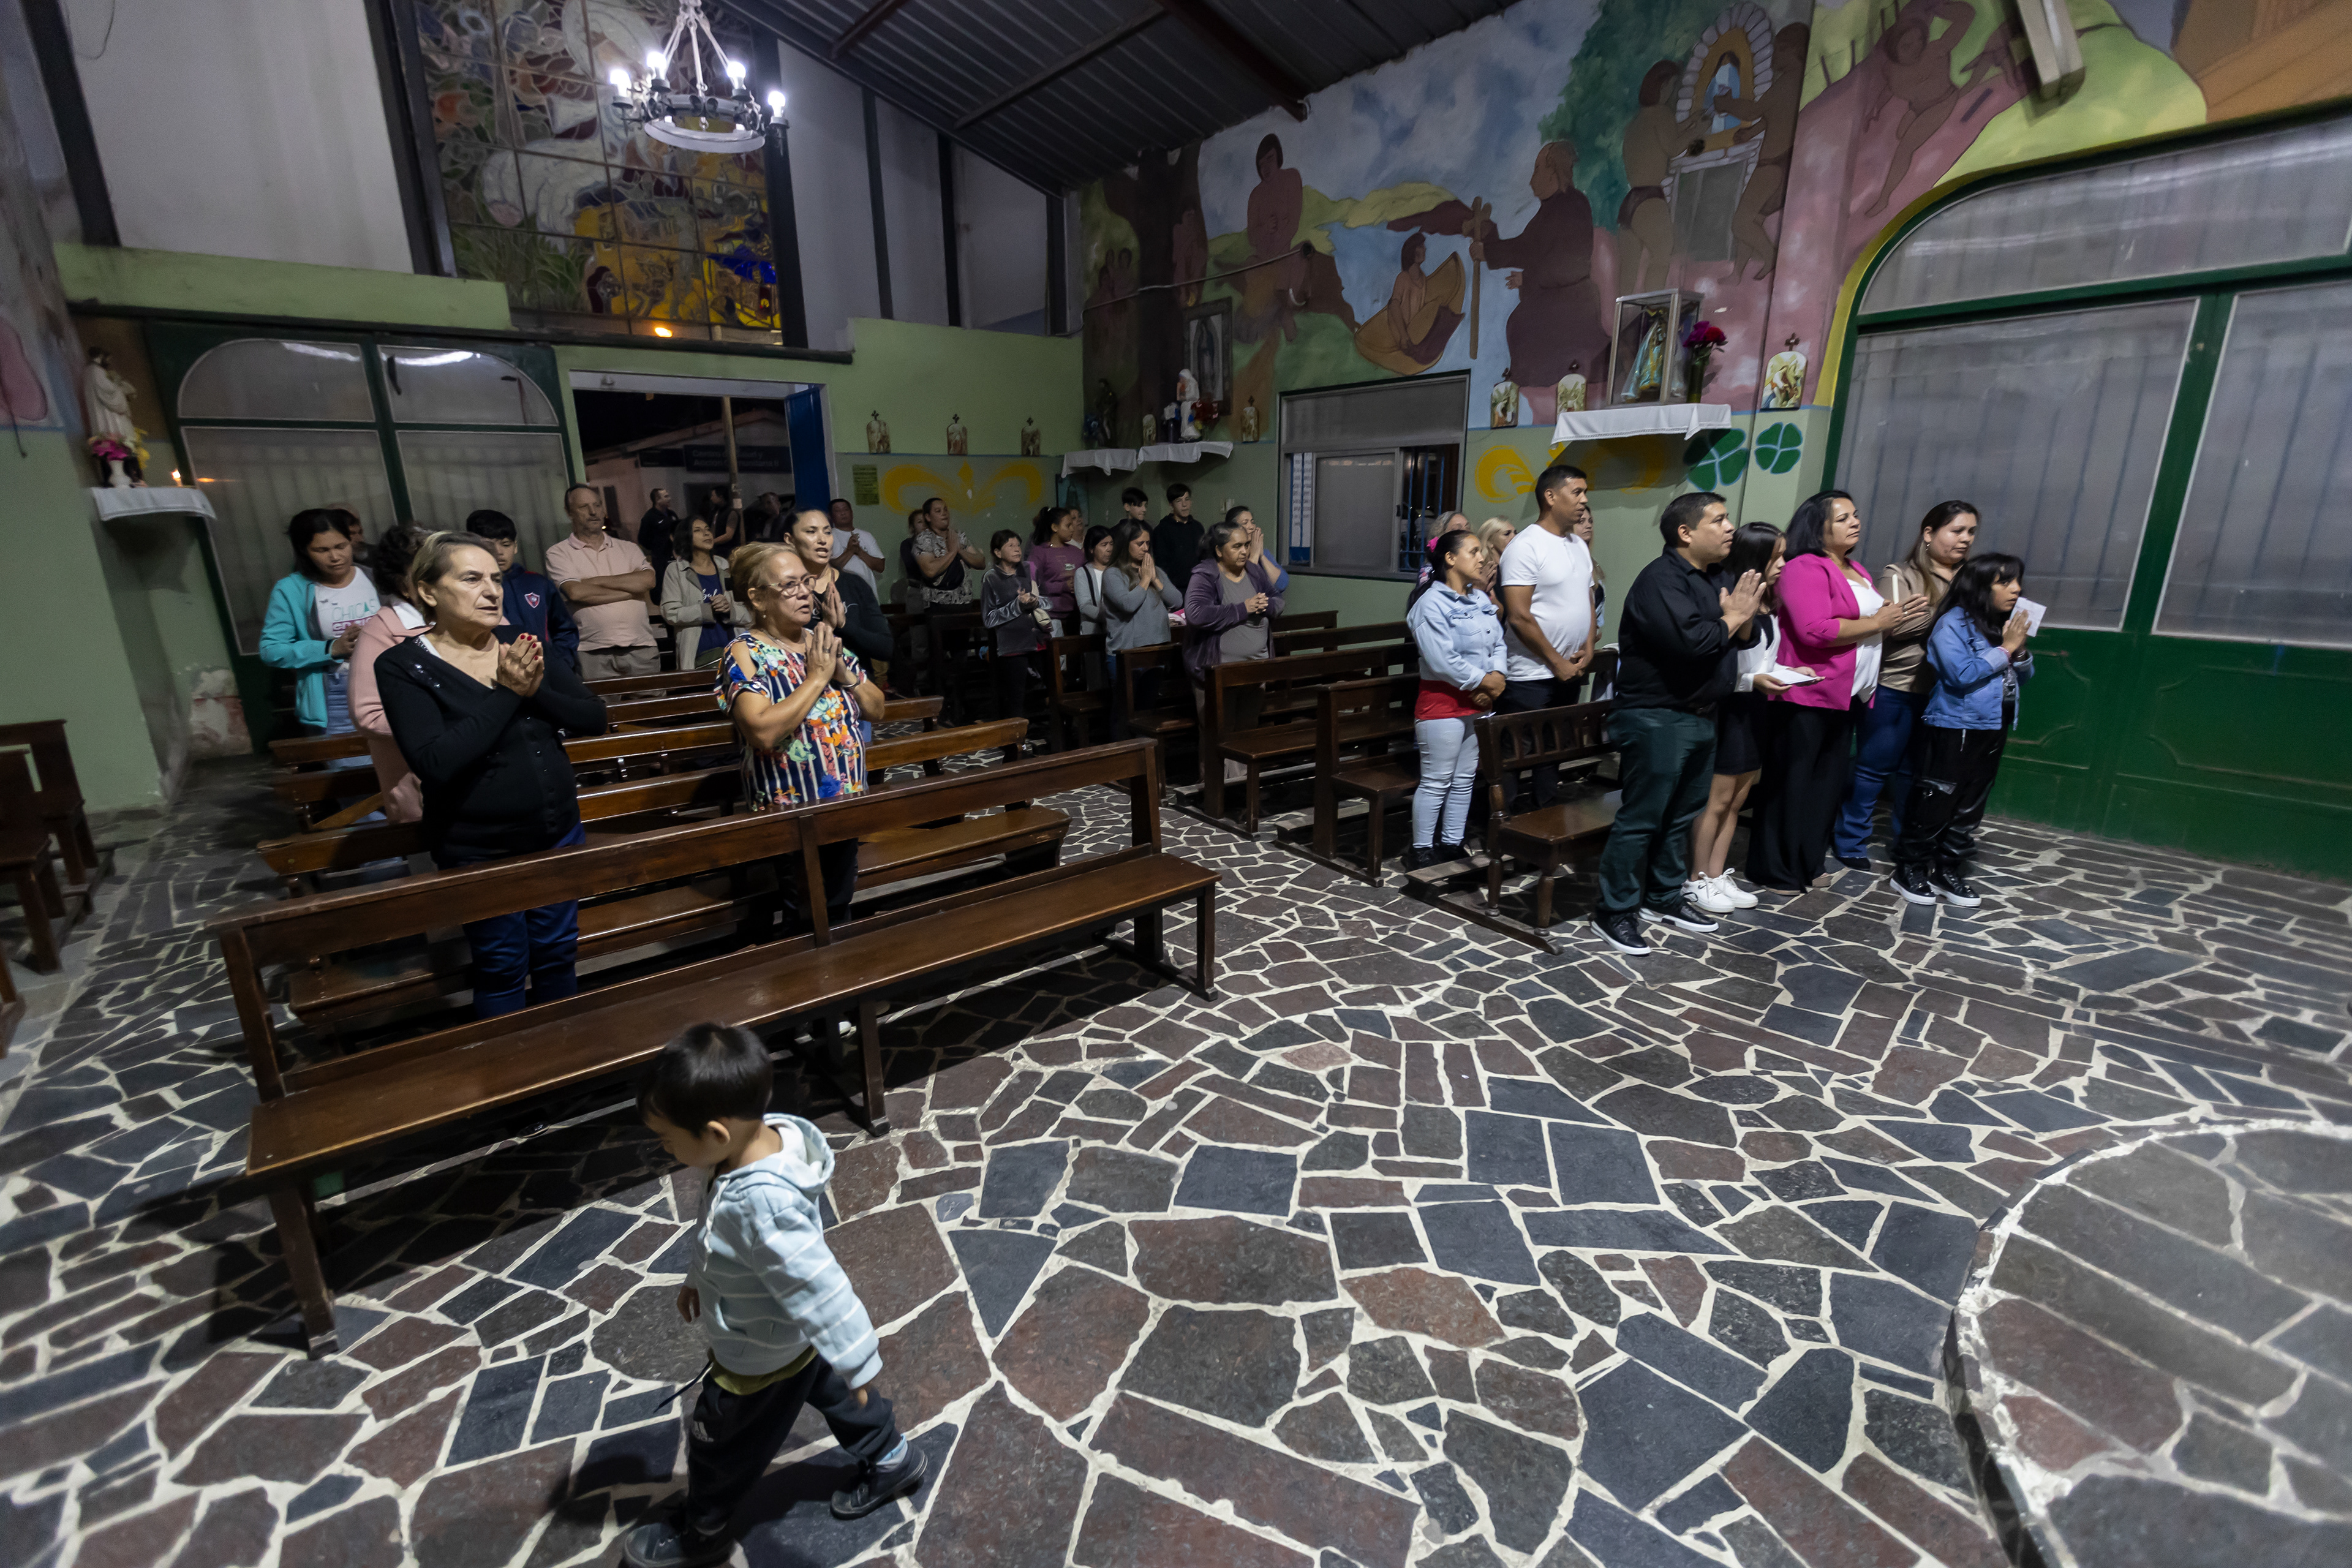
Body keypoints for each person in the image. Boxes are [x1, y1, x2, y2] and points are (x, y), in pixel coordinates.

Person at [622, 1023, 924, 1568]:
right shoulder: (759, 1142)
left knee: (719, 1441)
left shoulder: (762, 1204)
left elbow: (821, 1286)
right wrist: (696, 1279)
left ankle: (703, 1529)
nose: (664, 1149)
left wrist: (859, 1361)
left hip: (757, 1353)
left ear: (716, 1133)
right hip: (792, 1334)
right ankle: (891, 1458)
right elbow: (715, 1232)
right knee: (832, 1392)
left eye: (667, 1140)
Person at [375, 532, 609, 1017]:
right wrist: (509, 693)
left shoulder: (520, 643)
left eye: (496, 579)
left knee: (557, 953)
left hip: (555, 835)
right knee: (503, 964)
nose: (491, 591)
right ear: (428, 591)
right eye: (471, 579)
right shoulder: (403, 665)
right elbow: (435, 762)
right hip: (480, 849)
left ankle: (565, 1050)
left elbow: (594, 717)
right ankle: (510, 1061)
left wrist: (534, 690)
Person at [1588, 492, 1763, 956]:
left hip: (1702, 715)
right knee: (1642, 819)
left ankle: (1663, 896)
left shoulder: (1717, 576)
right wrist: (1733, 617)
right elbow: (1695, 644)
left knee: (1682, 815)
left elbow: (1743, 637)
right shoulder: (1660, 581)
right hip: (1657, 717)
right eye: (1718, 520)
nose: (1730, 527)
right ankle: (1613, 910)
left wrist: (1743, 617)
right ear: (1685, 532)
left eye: (1728, 518)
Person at [1746, 491, 1926, 891]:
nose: (1855, 522)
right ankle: (1776, 867)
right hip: (1808, 691)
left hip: (1847, 694)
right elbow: (1815, 630)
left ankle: (1809, 861)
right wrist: (1880, 622)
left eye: (1855, 515)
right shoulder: (1805, 567)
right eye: (1843, 518)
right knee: (1793, 782)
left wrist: (1897, 618)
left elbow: (1872, 625)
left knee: (1825, 785)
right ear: (1818, 526)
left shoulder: (1856, 568)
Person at [719, 545, 885, 934]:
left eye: (806, 583)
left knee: (839, 904)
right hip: (791, 812)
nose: (804, 593)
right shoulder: (744, 652)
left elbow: (877, 708)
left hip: (844, 800)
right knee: (807, 914)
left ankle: (843, 969)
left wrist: (842, 673)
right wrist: (817, 678)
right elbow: (761, 731)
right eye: (789, 585)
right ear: (757, 598)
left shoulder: (820, 642)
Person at [1834, 500, 1974, 869]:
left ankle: (1905, 843)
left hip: (1942, 694)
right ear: (1929, 534)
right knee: (1872, 769)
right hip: (1895, 686)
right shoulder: (1899, 575)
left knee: (1916, 775)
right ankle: (1851, 841)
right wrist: (1948, 613)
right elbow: (1894, 627)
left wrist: (1928, 613)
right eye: (1957, 531)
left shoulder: (1970, 579)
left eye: (1971, 532)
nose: (1965, 539)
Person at [1891, 554, 2033, 908]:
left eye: (2018, 581)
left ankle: (1947, 869)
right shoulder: (1951, 624)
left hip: (1994, 724)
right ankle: (1910, 869)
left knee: (1971, 803)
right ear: (1980, 587)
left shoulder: (2002, 625)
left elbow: (2024, 676)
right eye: (2005, 582)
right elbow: (1960, 675)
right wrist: (2006, 649)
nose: (2016, 589)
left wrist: (2020, 652)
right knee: (1937, 799)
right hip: (1956, 724)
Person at [1686, 522, 1804, 914]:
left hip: (1758, 709)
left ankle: (1717, 874)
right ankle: (1696, 879)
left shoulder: (1769, 602)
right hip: (1731, 709)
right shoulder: (1732, 602)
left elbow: (1762, 660)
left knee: (1737, 800)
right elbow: (1721, 666)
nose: (1783, 564)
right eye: (1776, 556)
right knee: (1716, 800)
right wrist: (1756, 681)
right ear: (1754, 559)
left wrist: (1791, 672)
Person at [1496, 464, 1597, 808]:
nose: (1584, 501)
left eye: (1585, 493)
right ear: (1551, 497)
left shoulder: (1577, 544)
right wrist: (1556, 662)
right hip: (1531, 675)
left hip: (1570, 668)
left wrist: (1588, 647)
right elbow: (1519, 616)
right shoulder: (1526, 546)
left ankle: (1544, 820)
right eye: (1577, 492)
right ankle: (1504, 822)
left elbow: (1587, 597)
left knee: (1554, 751)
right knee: (1516, 754)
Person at [1405, 529, 1507, 870]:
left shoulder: (1480, 600)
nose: (1482, 558)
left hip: (1480, 700)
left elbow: (1498, 642)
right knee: (1437, 780)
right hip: (1443, 704)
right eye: (1474, 551)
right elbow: (1442, 661)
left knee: (1464, 779)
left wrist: (1498, 676)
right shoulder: (1429, 604)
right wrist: (1486, 682)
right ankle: (1421, 849)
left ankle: (1452, 842)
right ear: (1450, 559)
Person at [260, 509, 377, 745]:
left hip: (389, 683)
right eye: (322, 550)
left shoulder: (375, 579)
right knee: (350, 764)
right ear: (304, 550)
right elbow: (271, 650)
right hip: (336, 695)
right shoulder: (292, 590)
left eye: (341, 546)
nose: (335, 557)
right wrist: (331, 649)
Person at [1183, 518, 1284, 782]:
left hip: (1255, 668)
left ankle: (1240, 787)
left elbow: (1278, 599)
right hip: (1219, 671)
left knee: (1246, 731)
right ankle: (1214, 789)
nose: (1244, 551)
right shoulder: (1205, 576)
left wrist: (1267, 606)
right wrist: (1243, 608)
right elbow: (1196, 614)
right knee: (1218, 731)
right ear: (1219, 551)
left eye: (1247, 545)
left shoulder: (1253, 571)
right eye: (1237, 546)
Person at [347, 523, 431, 823]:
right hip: (421, 786)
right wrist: (443, 719)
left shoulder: (467, 615)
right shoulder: (382, 632)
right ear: (402, 582)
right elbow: (368, 714)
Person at [546, 483, 660, 680]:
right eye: (584, 507)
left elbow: (649, 581)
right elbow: (576, 592)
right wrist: (631, 590)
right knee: (599, 702)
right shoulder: (559, 553)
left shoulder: (629, 548)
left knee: (651, 700)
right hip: (592, 652)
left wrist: (594, 582)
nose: (593, 512)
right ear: (569, 512)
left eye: (597, 505)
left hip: (641, 647)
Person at [469, 510, 582, 673]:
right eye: (489, 546)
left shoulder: (538, 584)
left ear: (515, 546)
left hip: (546, 672)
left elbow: (564, 630)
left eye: (506, 544)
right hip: (497, 673)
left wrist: (560, 663)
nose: (499, 552)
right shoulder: (471, 589)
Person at [788, 509, 893, 677]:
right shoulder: (786, 591)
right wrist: (827, 625)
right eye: (811, 532)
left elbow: (885, 649)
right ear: (790, 540)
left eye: (827, 532)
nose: (822, 540)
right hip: (807, 684)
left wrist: (844, 625)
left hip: (858, 686)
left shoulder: (855, 584)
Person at [1103, 518, 1183, 722]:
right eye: (1140, 544)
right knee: (1124, 711)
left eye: (1148, 543)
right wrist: (1145, 580)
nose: (1145, 548)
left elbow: (1177, 600)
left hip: (1155, 652)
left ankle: (1144, 743)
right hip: (1126, 652)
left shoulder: (1155, 571)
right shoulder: (1113, 574)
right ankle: (1122, 743)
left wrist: (1154, 578)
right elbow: (1128, 604)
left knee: (1147, 711)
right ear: (1125, 544)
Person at [979, 530, 1049, 760]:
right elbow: (989, 618)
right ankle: (1015, 746)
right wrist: (1017, 606)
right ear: (998, 552)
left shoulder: (1028, 570)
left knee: (1048, 690)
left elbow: (1048, 602)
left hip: (1038, 640)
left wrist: (1035, 601)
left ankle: (1046, 738)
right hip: (1012, 646)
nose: (1017, 548)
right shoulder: (991, 578)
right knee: (1016, 698)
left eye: (1018, 544)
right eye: (1010, 546)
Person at [660, 517, 750, 669]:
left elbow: (749, 613)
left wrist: (729, 610)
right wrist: (707, 610)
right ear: (686, 537)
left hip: (736, 654)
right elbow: (670, 613)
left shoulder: (727, 567)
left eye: (708, 529)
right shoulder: (676, 570)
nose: (707, 533)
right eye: (698, 530)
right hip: (699, 657)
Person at [1028, 505, 1087, 633]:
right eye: (1068, 526)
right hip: (1050, 617)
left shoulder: (1077, 553)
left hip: (1077, 616)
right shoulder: (1039, 553)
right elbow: (1032, 585)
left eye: (1072, 525)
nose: (1072, 529)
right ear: (1055, 527)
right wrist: (1062, 586)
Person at [829, 497, 884, 597]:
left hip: (868, 593)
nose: (843, 513)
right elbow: (830, 569)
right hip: (843, 594)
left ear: (852, 513)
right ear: (831, 516)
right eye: (838, 511)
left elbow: (880, 567)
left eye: (846, 510)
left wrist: (860, 552)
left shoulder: (866, 536)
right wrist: (850, 551)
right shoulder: (828, 536)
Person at [1230, 505, 1289, 595]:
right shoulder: (1229, 555)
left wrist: (1261, 556)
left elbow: (1282, 584)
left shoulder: (1264, 552)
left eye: (1252, 522)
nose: (1251, 527)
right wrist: (1254, 556)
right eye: (1245, 523)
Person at [1072, 524, 1115, 639]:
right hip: (1094, 633)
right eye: (1104, 545)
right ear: (1091, 549)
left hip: (1116, 632)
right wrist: (1109, 617)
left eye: (1111, 544)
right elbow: (1084, 606)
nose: (1109, 549)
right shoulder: (1083, 573)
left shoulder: (1116, 570)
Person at [1154, 483, 1204, 574]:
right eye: (1179, 501)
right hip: (1173, 581)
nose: (1184, 504)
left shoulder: (1198, 527)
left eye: (1187, 499)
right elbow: (1161, 563)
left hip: (1198, 579)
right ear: (1171, 504)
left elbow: (1204, 557)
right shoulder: (1162, 530)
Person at [639, 488, 682, 584]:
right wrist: (657, 547)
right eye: (666, 497)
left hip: (675, 555)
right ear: (658, 500)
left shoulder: (672, 514)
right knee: (665, 582)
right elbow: (643, 539)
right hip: (661, 558)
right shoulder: (650, 517)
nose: (669, 499)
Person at [1476, 517, 1515, 598]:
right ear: (1490, 541)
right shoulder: (1487, 572)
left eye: (1515, 533)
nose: (1514, 537)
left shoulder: (1514, 568)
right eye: (1507, 534)